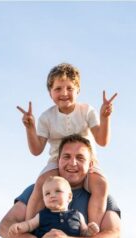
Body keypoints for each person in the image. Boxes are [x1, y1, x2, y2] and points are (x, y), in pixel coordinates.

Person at [16, 62, 117, 227]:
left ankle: (91, 227)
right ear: (50, 93)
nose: (64, 93)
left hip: (85, 161)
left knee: (101, 184)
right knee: (42, 182)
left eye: (69, 88)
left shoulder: (86, 111)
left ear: (78, 90)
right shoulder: (46, 118)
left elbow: (102, 141)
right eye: (58, 89)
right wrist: (30, 128)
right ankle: (28, 227)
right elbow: (36, 150)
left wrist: (105, 117)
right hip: (57, 160)